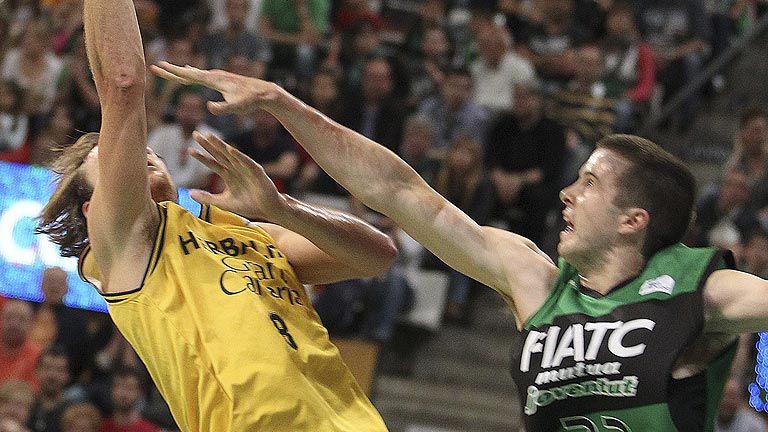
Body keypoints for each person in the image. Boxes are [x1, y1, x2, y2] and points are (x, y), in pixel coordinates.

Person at [152, 60, 768, 431]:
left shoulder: (699, 288)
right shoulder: (533, 279)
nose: (566, 194)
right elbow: (400, 190)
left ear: (634, 220)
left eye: (589, 184)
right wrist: (281, 103)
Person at [35, 0, 395, 430]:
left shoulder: (244, 231)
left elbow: (377, 256)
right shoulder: (125, 247)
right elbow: (124, 84)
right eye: (107, 159)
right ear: (94, 211)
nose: (134, 153)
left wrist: (284, 209)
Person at [99, 367, 159, 432]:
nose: (123, 394)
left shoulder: (150, 430)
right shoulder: (100, 428)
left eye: (130, 388)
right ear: (112, 389)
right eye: (119, 386)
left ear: (140, 392)